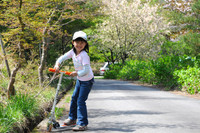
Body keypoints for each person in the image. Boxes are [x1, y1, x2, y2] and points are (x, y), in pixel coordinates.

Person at [54, 31, 94, 131]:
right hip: (80, 80)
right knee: (74, 98)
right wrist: (57, 64)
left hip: (87, 80)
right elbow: (62, 58)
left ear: (85, 44)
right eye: (77, 42)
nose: (79, 45)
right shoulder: (72, 52)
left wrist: (76, 73)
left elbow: (86, 70)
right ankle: (72, 119)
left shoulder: (84, 55)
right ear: (73, 42)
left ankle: (82, 123)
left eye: (82, 43)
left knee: (80, 101)